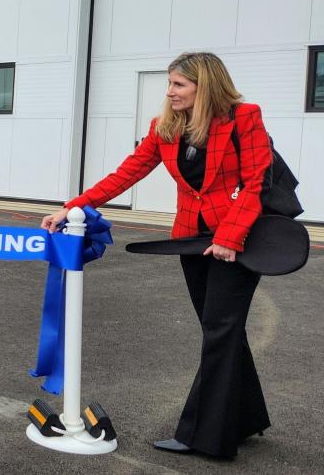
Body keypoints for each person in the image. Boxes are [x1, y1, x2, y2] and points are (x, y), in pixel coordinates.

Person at [42, 51, 272, 459]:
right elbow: (126, 172)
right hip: (191, 240)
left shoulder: (243, 118)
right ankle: (247, 418)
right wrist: (73, 206)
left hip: (237, 242)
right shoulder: (165, 127)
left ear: (206, 86)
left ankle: (205, 436)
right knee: (221, 330)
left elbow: (256, 182)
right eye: (169, 84)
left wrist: (231, 238)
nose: (170, 92)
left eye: (179, 85)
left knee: (220, 331)